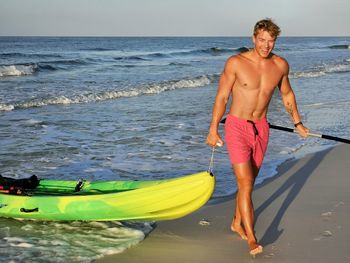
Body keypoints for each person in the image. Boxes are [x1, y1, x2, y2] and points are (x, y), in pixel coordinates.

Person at [206, 18, 309, 256]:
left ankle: (235, 220)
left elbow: (287, 95)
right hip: (236, 127)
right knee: (245, 183)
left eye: (270, 40)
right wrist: (213, 130)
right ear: (253, 38)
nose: (266, 45)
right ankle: (251, 237)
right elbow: (222, 97)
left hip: (261, 128)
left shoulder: (281, 65)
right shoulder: (235, 62)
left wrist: (298, 123)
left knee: (248, 182)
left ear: (275, 41)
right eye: (262, 40)